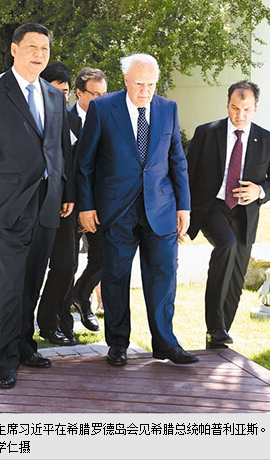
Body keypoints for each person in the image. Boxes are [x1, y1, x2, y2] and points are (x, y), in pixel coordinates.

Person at [0, 22, 75, 390]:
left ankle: (25, 346)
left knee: (32, 281)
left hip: (47, 202)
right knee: (9, 285)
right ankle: (3, 358)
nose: (39, 55)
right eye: (32, 47)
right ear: (14, 49)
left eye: (45, 49)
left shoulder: (54, 96)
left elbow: (61, 148)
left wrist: (66, 191)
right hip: (8, 203)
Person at [76, 53, 198, 367]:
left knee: (163, 277)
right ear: (126, 80)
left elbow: (177, 161)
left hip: (161, 208)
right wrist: (86, 206)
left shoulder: (168, 109)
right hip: (116, 210)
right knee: (116, 277)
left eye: (150, 84)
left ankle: (165, 343)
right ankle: (118, 344)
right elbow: (85, 163)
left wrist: (184, 206)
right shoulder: (103, 108)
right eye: (139, 83)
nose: (145, 90)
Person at [186, 80, 270, 349]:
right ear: (227, 104)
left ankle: (218, 339)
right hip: (212, 207)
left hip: (245, 214)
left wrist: (259, 190)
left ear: (255, 108)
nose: (239, 115)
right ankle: (215, 326)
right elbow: (187, 174)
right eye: (234, 108)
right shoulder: (207, 133)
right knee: (226, 245)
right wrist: (180, 211)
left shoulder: (267, 140)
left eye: (246, 109)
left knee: (236, 276)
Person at [36, 62, 81, 345]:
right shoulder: (32, 116)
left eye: (65, 92)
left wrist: (71, 197)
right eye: (56, 91)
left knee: (66, 265)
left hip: (64, 205)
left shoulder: (74, 121)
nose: (61, 97)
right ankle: (20, 327)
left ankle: (52, 322)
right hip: (32, 202)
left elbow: (75, 166)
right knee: (31, 269)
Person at [67, 67, 107, 334]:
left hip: (99, 202)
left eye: (105, 94)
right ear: (79, 93)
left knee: (104, 256)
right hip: (68, 203)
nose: (101, 100)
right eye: (95, 94)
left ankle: (81, 295)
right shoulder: (63, 120)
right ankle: (61, 320)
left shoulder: (110, 120)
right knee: (66, 264)